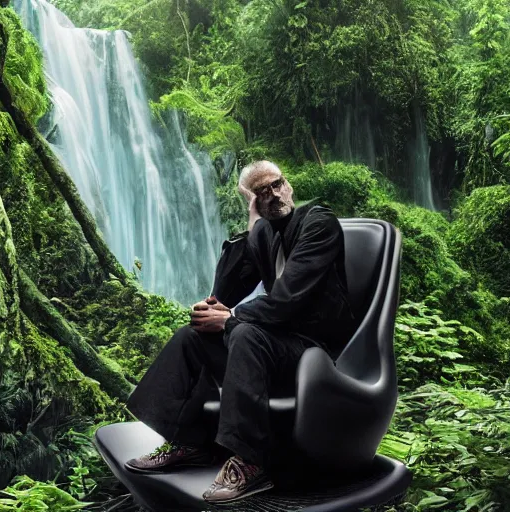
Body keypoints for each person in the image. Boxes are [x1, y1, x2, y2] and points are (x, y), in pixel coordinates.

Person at [124, 160, 356, 504]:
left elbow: (286, 300)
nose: (274, 195)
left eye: (277, 184)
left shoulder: (318, 223)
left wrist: (230, 318)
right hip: (272, 346)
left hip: (313, 350)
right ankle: (189, 442)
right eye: (261, 192)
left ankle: (250, 463)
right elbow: (225, 290)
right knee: (194, 335)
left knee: (245, 333)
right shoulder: (264, 234)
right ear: (250, 200)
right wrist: (212, 309)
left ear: (288, 184)